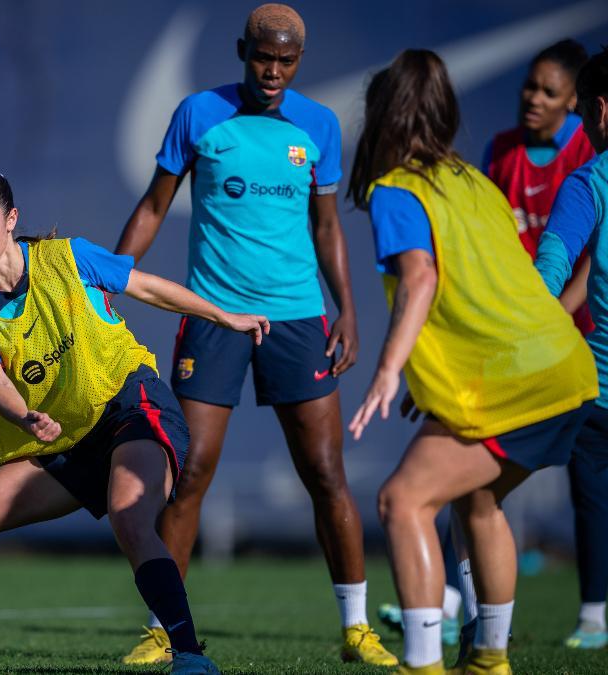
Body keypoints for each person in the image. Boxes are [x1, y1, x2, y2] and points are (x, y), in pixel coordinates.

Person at [0, 169, 270, 674]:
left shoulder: (68, 257)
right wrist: (24, 415)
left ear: (11, 219)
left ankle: (189, 656)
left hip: (130, 405)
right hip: (68, 437)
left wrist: (224, 316)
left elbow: (148, 288)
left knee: (128, 514)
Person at [114, 3, 393, 666]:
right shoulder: (198, 114)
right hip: (213, 318)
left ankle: (356, 629)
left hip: (298, 317)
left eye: (286, 61)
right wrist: (110, 276)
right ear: (243, 51)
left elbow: (327, 226)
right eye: (263, 57)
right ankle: (164, 628)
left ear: (299, 62)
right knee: (189, 472)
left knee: (325, 472)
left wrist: (347, 310)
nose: (273, 71)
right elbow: (154, 203)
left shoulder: (318, 125)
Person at [347, 50, 598, 675]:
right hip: (565, 370)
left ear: (383, 117)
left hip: (517, 379)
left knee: (402, 501)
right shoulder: (476, 182)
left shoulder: (396, 190)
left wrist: (388, 370)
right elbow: (493, 289)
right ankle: (489, 659)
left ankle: (424, 664)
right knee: (479, 501)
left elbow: (421, 279)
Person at [533, 42, 608, 656]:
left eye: (581, 113)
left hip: (598, 388)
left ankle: (593, 617)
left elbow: (549, 271)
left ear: (601, 111)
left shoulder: (589, 181)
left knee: (593, 502)